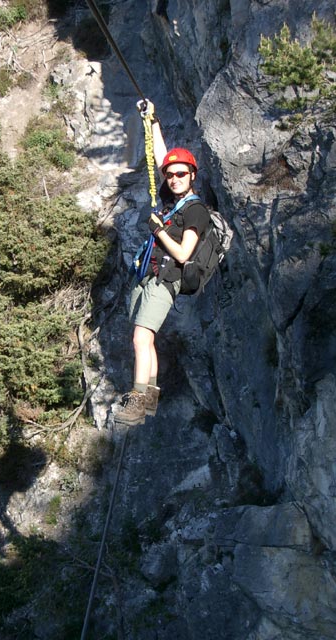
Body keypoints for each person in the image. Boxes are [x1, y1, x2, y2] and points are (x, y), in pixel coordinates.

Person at [114, 100, 210, 425]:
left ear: (192, 176)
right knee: (147, 338)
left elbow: (184, 253)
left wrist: (159, 230)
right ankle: (151, 399)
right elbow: (162, 157)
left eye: (181, 174)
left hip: (167, 279)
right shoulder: (172, 199)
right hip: (148, 276)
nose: (174, 178)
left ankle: (138, 399)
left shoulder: (195, 210)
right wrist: (152, 119)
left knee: (140, 338)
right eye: (171, 175)